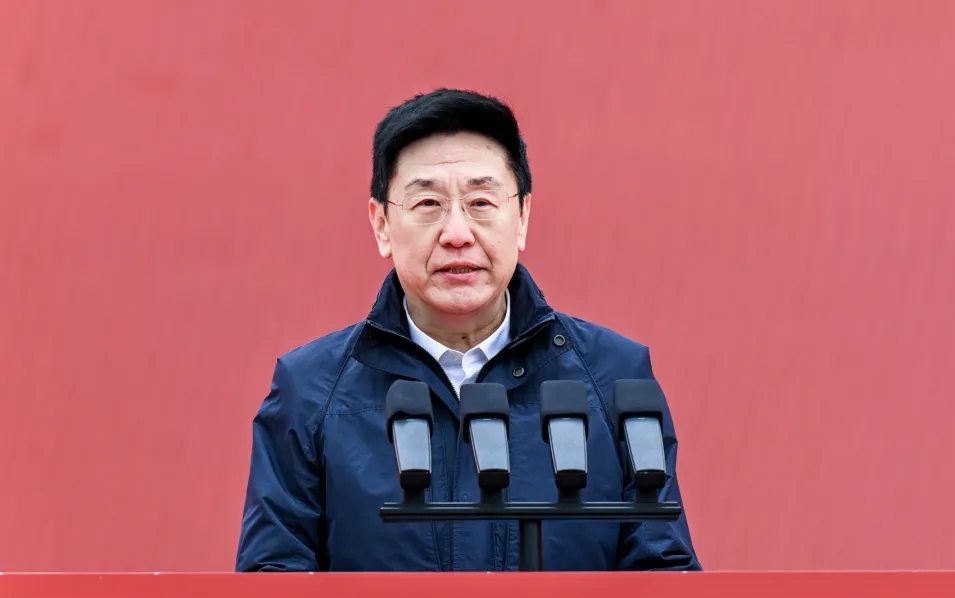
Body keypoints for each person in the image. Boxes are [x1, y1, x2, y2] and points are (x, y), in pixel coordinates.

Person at [235, 88, 700, 572]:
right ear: (381, 224)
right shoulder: (310, 390)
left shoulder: (612, 377)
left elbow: (665, 582)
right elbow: (272, 589)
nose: (457, 234)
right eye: (428, 203)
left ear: (522, 218)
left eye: (481, 202)